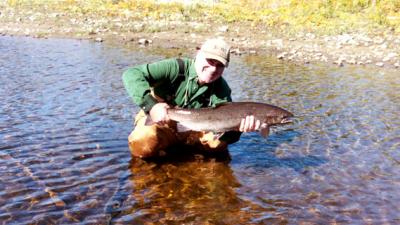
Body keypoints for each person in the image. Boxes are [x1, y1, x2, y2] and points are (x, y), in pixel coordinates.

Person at [122, 38, 260, 158]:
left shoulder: (222, 89)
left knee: (217, 145)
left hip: (195, 128)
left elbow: (225, 134)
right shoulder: (175, 68)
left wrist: (238, 129)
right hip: (160, 119)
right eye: (210, 61)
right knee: (143, 142)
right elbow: (131, 74)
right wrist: (152, 106)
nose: (213, 69)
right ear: (198, 54)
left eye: (220, 65)